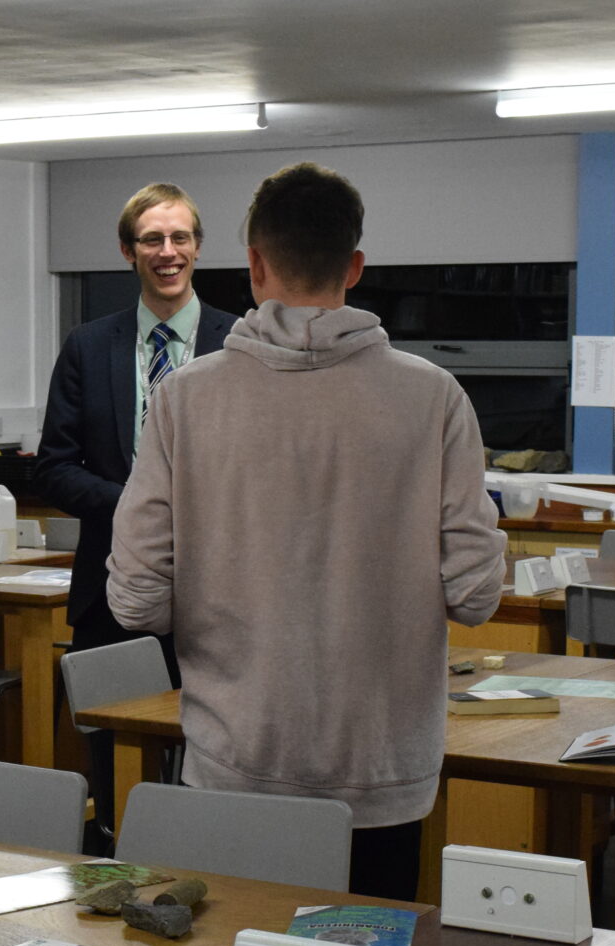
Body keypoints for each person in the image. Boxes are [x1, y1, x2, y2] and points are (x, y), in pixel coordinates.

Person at [106, 163, 507, 899]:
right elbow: (476, 593)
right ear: (354, 266)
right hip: (382, 776)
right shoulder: (433, 397)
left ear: (254, 265)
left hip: (235, 761)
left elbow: (135, 600)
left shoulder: (185, 398)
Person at [33, 182, 238, 664]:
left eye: (180, 238)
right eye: (152, 239)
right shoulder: (88, 344)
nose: (168, 252)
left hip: (223, 595)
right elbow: (53, 468)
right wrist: (139, 505)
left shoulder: (240, 342)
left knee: (212, 739)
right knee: (110, 735)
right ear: (128, 250)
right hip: (109, 593)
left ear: (198, 246)